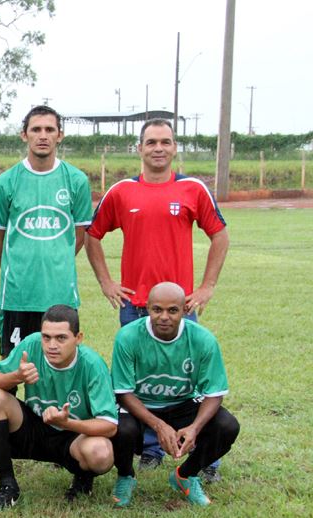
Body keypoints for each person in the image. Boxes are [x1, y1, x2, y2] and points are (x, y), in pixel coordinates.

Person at [86, 119, 229, 479]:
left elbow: (220, 235)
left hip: (181, 309)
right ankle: (150, 448)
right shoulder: (121, 192)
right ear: (140, 148)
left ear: (175, 147)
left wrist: (207, 286)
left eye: (165, 141)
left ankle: (204, 454)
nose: (158, 148)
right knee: (140, 380)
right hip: (135, 306)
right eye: (151, 142)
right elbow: (93, 236)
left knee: (190, 381)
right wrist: (107, 282)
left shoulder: (193, 189)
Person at [109, 283, 239, 507]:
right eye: (157, 309)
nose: (164, 317)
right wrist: (159, 425)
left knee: (227, 426)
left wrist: (194, 428)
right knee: (120, 429)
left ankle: (186, 475)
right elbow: (123, 393)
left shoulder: (203, 339)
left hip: (184, 402)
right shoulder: (128, 336)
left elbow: (214, 394)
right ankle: (126, 476)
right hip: (141, 405)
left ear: (185, 310)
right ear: (147, 308)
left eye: (172, 310)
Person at [0, 305, 118, 508]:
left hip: (72, 436)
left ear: (78, 338)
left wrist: (67, 422)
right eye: (46, 337)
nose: (52, 345)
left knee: (101, 454)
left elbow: (109, 426)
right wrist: (16, 376)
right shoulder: (32, 345)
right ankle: (8, 485)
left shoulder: (92, 364)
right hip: (34, 428)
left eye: (61, 338)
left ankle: (83, 478)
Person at [0, 106, 91, 358]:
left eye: (49, 129)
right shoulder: (5, 182)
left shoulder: (76, 181)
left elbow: (79, 237)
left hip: (61, 296)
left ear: (60, 135)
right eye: (36, 129)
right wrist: (20, 269)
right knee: (12, 368)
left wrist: (57, 260)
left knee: (61, 368)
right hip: (16, 297)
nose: (42, 135)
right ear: (24, 135)